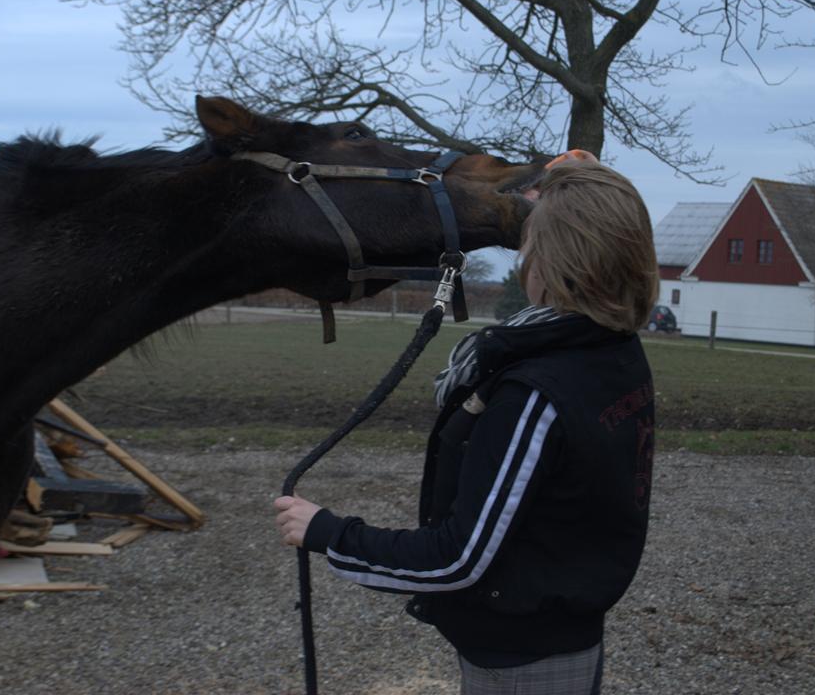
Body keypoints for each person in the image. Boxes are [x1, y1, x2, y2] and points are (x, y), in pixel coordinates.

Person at [274, 151, 659, 694]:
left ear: (555, 262)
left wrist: (329, 533)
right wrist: (573, 188)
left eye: (530, 245)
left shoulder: (536, 395)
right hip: (559, 632)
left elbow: (456, 558)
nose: (523, 258)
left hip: (521, 659)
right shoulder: (613, 353)